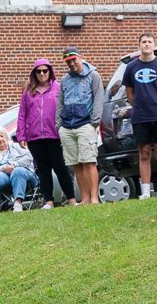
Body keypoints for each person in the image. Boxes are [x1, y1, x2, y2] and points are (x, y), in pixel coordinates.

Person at [17, 58, 77, 209]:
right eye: (39, 71)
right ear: (34, 73)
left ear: (50, 71)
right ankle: (48, 201)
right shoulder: (28, 91)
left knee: (61, 168)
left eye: (45, 70)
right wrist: (21, 135)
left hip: (54, 135)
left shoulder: (58, 88)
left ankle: (71, 199)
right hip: (35, 138)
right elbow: (22, 114)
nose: (42, 73)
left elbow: (65, 108)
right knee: (43, 171)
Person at [122, 32, 157, 198]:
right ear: (139, 45)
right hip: (140, 117)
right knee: (144, 154)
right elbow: (129, 94)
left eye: (150, 41)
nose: (147, 44)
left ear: (154, 45)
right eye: (144, 42)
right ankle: (146, 192)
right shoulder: (131, 67)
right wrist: (140, 107)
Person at [57, 46, 104, 204]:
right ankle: (84, 199)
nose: (71, 64)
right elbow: (60, 104)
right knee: (76, 164)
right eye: (68, 61)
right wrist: (59, 126)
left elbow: (98, 100)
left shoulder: (93, 75)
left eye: (73, 60)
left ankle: (94, 198)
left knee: (89, 162)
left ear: (80, 57)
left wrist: (94, 123)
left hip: (86, 125)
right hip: (67, 127)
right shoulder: (65, 80)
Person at [0, 126, 38, 214]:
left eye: (2, 136)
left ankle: (18, 203)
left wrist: (14, 165)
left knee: (17, 171)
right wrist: (3, 168)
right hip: (5, 177)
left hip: (25, 175)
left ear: (6, 137)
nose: (0, 139)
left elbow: (29, 157)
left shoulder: (16, 146)